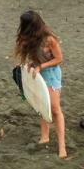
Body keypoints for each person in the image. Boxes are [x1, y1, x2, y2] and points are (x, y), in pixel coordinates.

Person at [15, 10, 66, 158]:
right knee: (42, 106)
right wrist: (31, 65)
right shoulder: (29, 38)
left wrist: (41, 67)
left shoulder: (49, 39)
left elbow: (59, 59)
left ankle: (62, 146)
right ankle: (45, 137)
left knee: (55, 109)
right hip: (38, 74)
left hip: (51, 74)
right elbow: (32, 57)